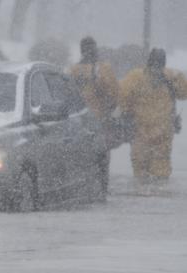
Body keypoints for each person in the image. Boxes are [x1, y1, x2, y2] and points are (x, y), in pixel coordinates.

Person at [118, 48, 187, 187]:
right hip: (159, 133)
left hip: (142, 133)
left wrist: (125, 114)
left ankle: (143, 195)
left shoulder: (136, 77)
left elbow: (122, 97)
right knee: (159, 171)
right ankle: (157, 193)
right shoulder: (170, 77)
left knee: (142, 171)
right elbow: (184, 92)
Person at [68, 37, 120, 142]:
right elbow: (115, 94)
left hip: (77, 120)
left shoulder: (72, 71)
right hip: (99, 119)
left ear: (81, 51)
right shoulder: (104, 69)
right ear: (95, 50)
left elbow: (67, 93)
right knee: (99, 152)